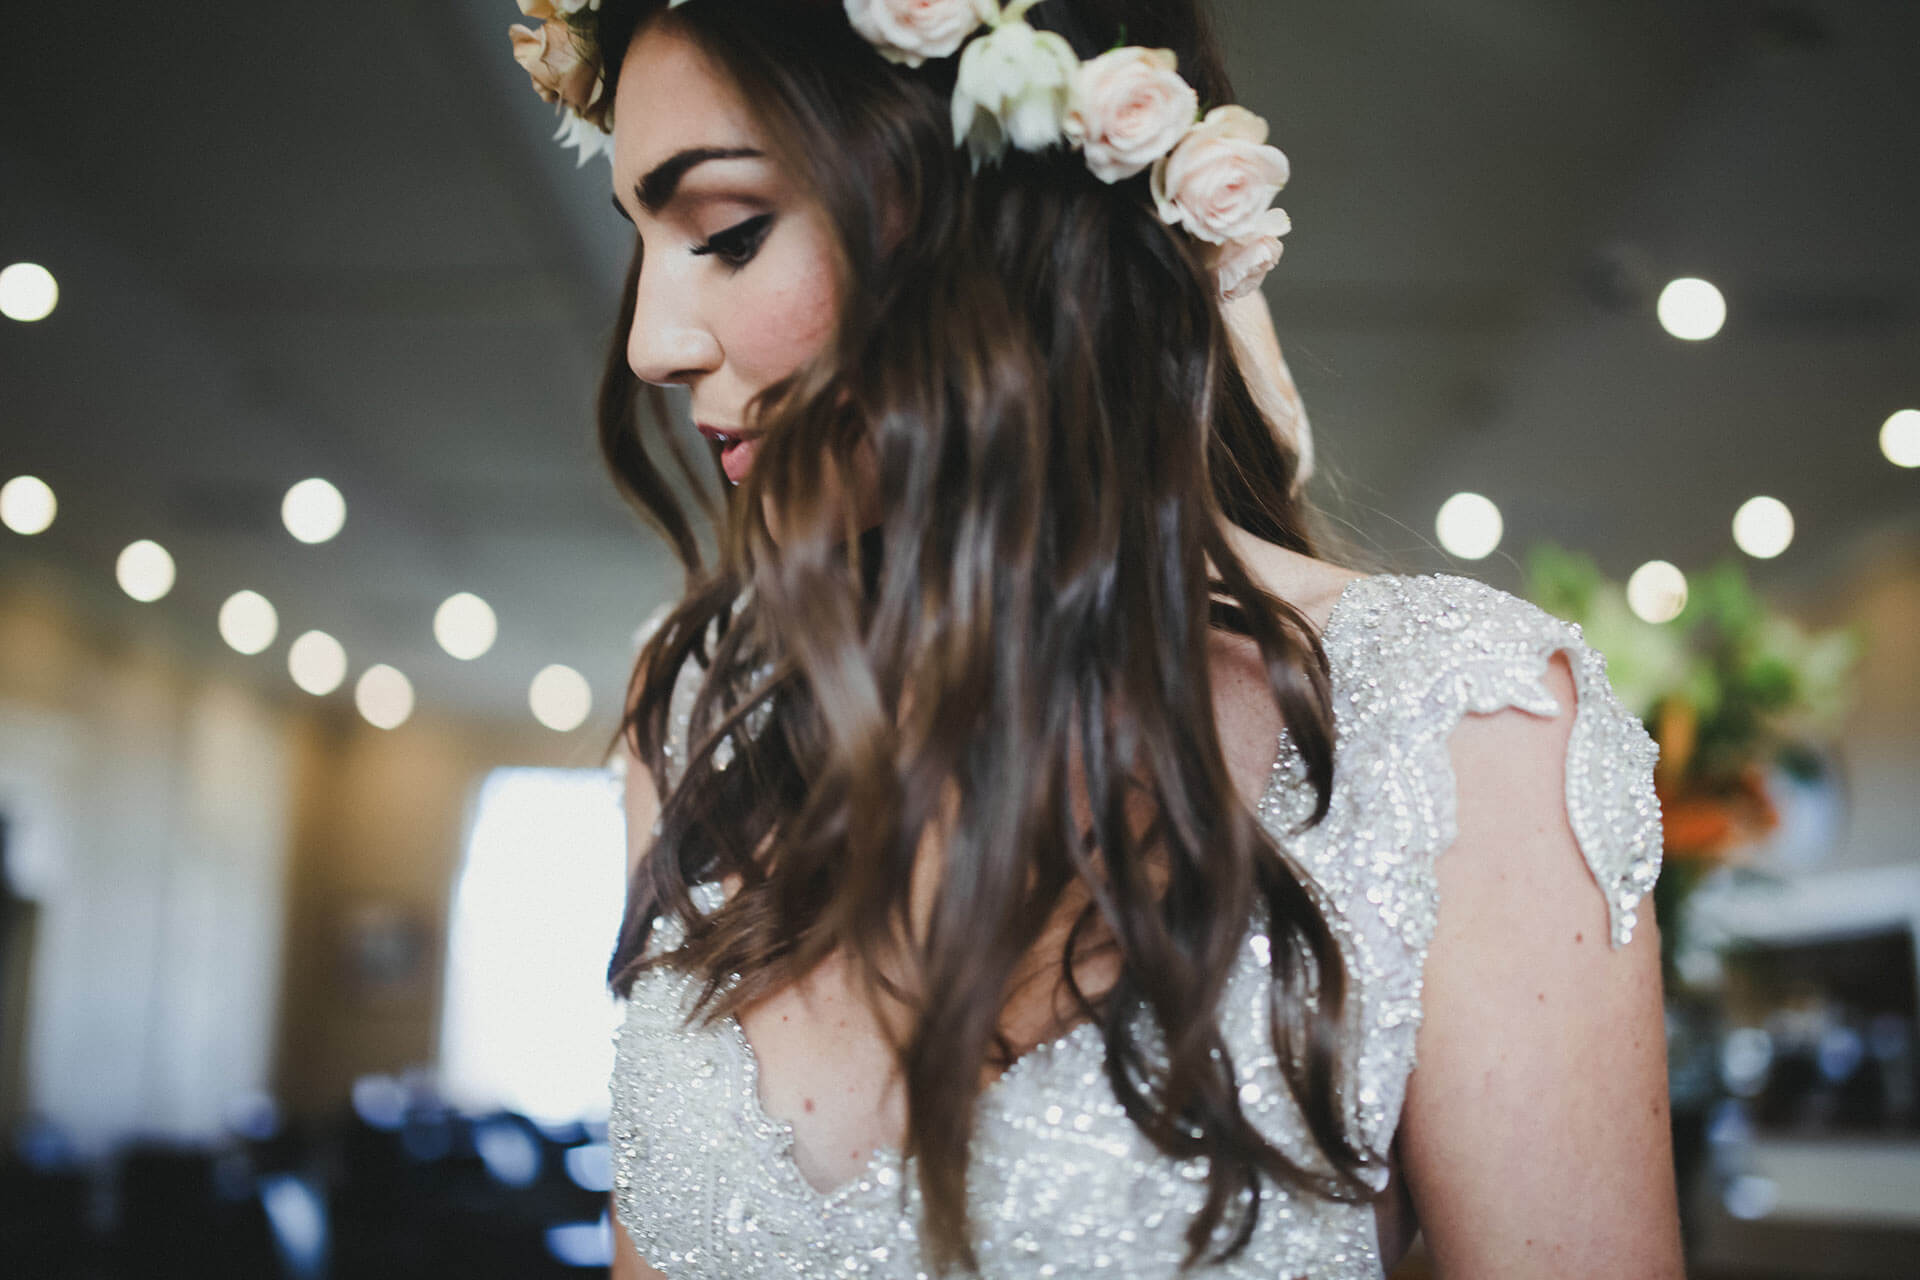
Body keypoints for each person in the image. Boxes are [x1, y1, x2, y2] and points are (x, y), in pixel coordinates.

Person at [507, 1, 1685, 1275]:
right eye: (643, 243)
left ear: (992, 201)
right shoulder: (699, 714)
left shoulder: (1461, 725)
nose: (650, 344)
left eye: (730, 233)